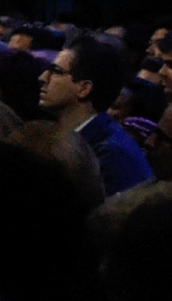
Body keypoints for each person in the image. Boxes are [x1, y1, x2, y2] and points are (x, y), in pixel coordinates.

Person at [42, 36, 157, 195]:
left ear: (84, 89)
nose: (42, 78)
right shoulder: (89, 140)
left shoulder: (111, 155)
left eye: (56, 72)